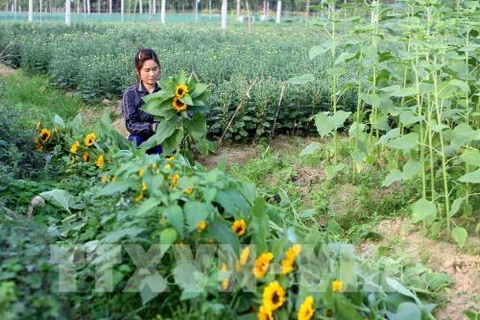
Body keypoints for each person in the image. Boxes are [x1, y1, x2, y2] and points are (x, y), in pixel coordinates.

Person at [122, 48, 162, 154]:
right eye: (147, 70)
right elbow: (131, 124)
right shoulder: (130, 93)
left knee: (163, 159)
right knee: (134, 145)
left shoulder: (166, 91)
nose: (152, 74)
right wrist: (152, 127)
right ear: (138, 71)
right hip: (139, 137)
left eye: (155, 69)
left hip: (161, 137)